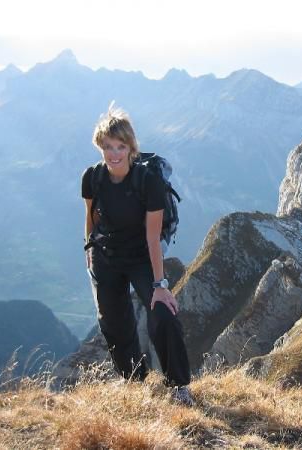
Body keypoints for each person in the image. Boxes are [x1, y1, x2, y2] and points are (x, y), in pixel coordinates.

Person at [82, 102, 193, 405]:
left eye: (121, 146)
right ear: (99, 146)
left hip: (143, 255)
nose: (114, 154)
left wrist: (160, 287)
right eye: (108, 146)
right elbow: (91, 218)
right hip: (107, 257)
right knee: (114, 323)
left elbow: (153, 237)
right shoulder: (92, 177)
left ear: (131, 147)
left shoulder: (148, 181)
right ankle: (134, 379)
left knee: (163, 314)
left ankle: (179, 385)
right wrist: (88, 249)